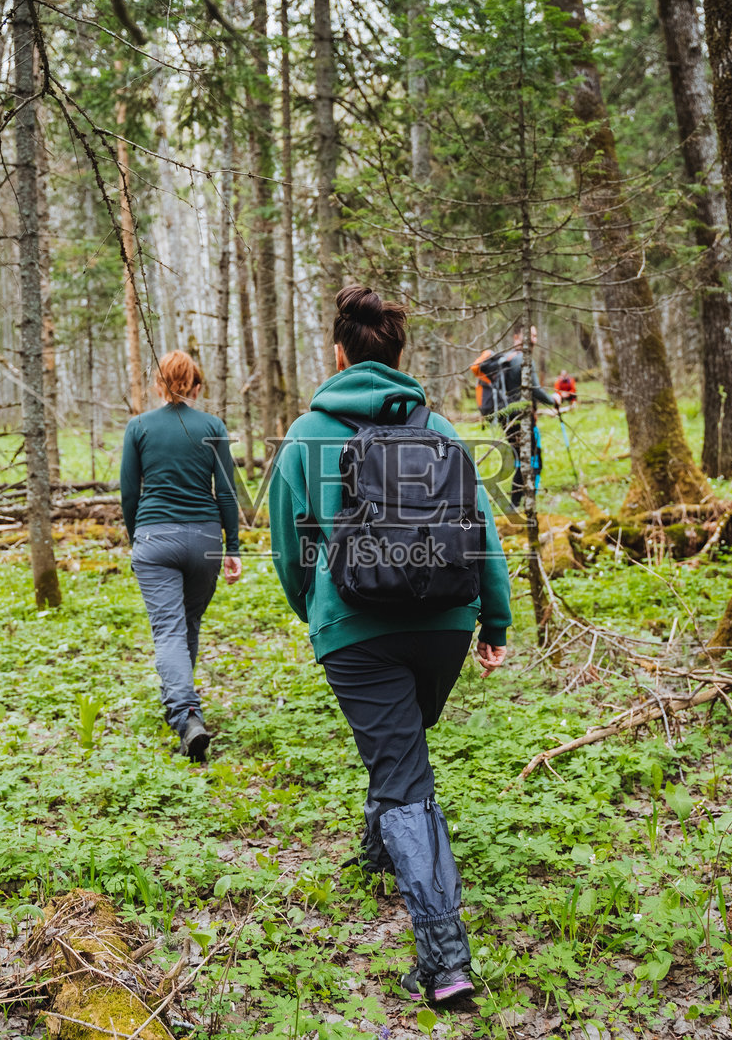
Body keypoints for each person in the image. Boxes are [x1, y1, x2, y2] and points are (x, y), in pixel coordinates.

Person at [270, 286, 511, 1006]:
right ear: (399, 354)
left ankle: (445, 959)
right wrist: (494, 621)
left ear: (338, 353)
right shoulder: (440, 428)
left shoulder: (306, 435)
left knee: (402, 771)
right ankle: (383, 852)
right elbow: (481, 529)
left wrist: (317, 612)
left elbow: (289, 547)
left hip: (356, 630)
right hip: (446, 622)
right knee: (401, 746)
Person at [120, 350, 242, 762]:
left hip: (155, 537)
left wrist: (137, 537)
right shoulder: (212, 426)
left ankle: (186, 713)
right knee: (187, 622)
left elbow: (129, 493)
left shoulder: (139, 427)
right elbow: (227, 491)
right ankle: (183, 707)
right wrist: (233, 547)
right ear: (195, 386)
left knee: (170, 631)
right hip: (204, 539)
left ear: (159, 384)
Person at [472, 327, 559, 509]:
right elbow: (535, 390)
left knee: (520, 460)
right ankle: (525, 504)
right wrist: (553, 400)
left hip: (507, 420)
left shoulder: (506, 360)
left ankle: (515, 504)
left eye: (535, 335)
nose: (533, 339)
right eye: (529, 335)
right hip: (523, 419)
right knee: (533, 461)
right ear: (516, 337)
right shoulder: (522, 360)